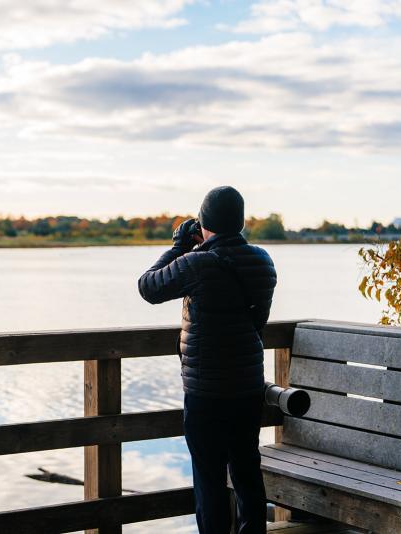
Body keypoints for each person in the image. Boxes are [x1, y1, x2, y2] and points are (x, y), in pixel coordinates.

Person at [137, 186, 277, 534]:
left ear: (204, 222)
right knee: (247, 471)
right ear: (239, 221)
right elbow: (257, 321)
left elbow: (148, 287)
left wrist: (179, 245)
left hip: (206, 391)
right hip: (247, 386)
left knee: (209, 478)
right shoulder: (262, 260)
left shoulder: (197, 263)